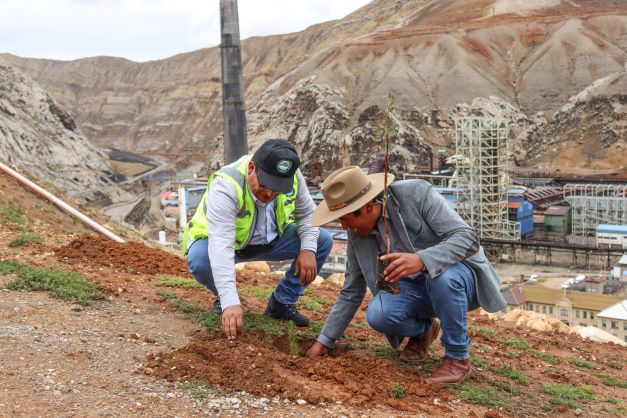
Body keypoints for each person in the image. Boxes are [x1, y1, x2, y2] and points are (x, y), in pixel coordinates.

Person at [305, 166, 506, 385]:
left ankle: (457, 359)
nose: (343, 226)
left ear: (367, 206)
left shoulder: (417, 194)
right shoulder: (357, 234)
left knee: (442, 278)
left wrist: (422, 260)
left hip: (458, 279)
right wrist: (324, 342)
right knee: (379, 313)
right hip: (415, 292)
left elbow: (467, 238)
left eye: (344, 218)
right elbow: (352, 290)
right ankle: (425, 331)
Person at [184, 139, 333, 340]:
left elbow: (307, 214)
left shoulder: (291, 175)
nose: (269, 194)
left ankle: (281, 303)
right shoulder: (227, 185)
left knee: (322, 241)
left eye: (277, 189)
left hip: (273, 241)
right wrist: (230, 301)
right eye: (264, 186)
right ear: (251, 168)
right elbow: (221, 246)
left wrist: (307, 249)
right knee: (200, 259)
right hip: (232, 245)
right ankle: (223, 298)